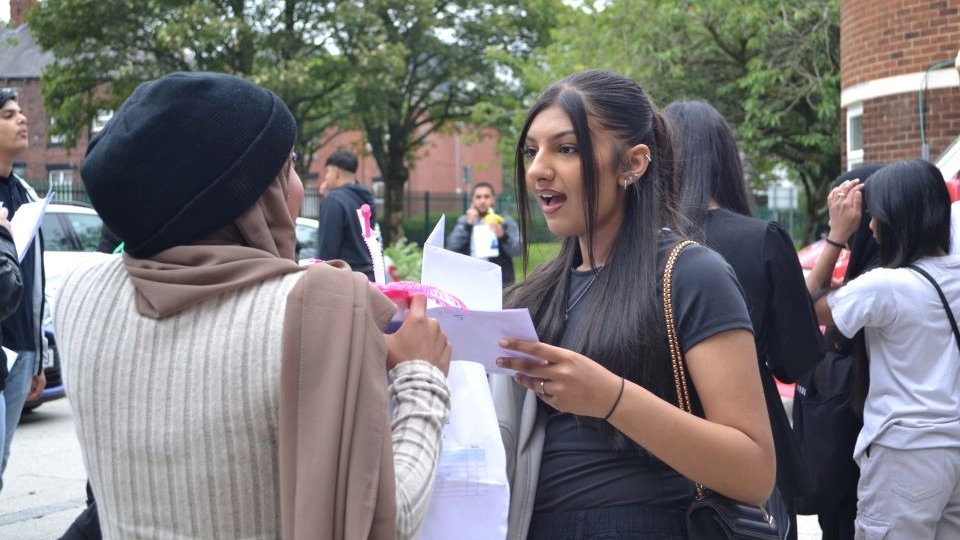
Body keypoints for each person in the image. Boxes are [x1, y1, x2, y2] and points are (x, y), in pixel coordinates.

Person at [55, 71, 452, 540]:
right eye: (290, 167)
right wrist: (422, 378)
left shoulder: (77, 294)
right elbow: (379, 523)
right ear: (254, 197)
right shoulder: (316, 311)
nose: (301, 189)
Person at [491, 69, 775, 540]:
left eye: (567, 148)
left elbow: (755, 471)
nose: (538, 168)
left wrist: (612, 399)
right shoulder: (535, 294)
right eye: (531, 150)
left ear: (633, 163)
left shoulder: (691, 274)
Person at [664, 99, 825, 539]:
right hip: (749, 443)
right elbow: (795, 360)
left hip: (657, 444)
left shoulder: (639, 247)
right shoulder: (761, 240)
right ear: (725, 158)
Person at [807, 159, 960, 539]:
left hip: (904, 453)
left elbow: (807, 304)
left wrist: (837, 235)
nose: (872, 227)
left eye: (875, 216)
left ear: (896, 218)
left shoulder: (885, 287)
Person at [792, 164, 883, 540]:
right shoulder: (889, 270)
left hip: (859, 469)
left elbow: (800, 307)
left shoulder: (879, 281)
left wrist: (834, 236)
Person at [0, 90, 46, 492]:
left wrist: (36, 357)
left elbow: (34, 281)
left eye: (21, 113)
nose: (22, 120)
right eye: (9, 114)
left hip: (21, 348)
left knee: (2, 459)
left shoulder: (27, 194)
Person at [316, 149, 378, 280]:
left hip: (344, 280)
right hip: (368, 277)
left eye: (328, 171)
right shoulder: (367, 199)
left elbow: (327, 251)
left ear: (336, 172)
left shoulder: (334, 200)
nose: (326, 177)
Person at [447, 182, 522, 285]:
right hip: (469, 278)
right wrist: (468, 225)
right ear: (472, 200)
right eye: (478, 197)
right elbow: (451, 246)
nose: (482, 201)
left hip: (499, 280)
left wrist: (504, 236)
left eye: (486, 197)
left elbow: (518, 251)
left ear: (493, 199)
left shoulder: (504, 220)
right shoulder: (465, 220)